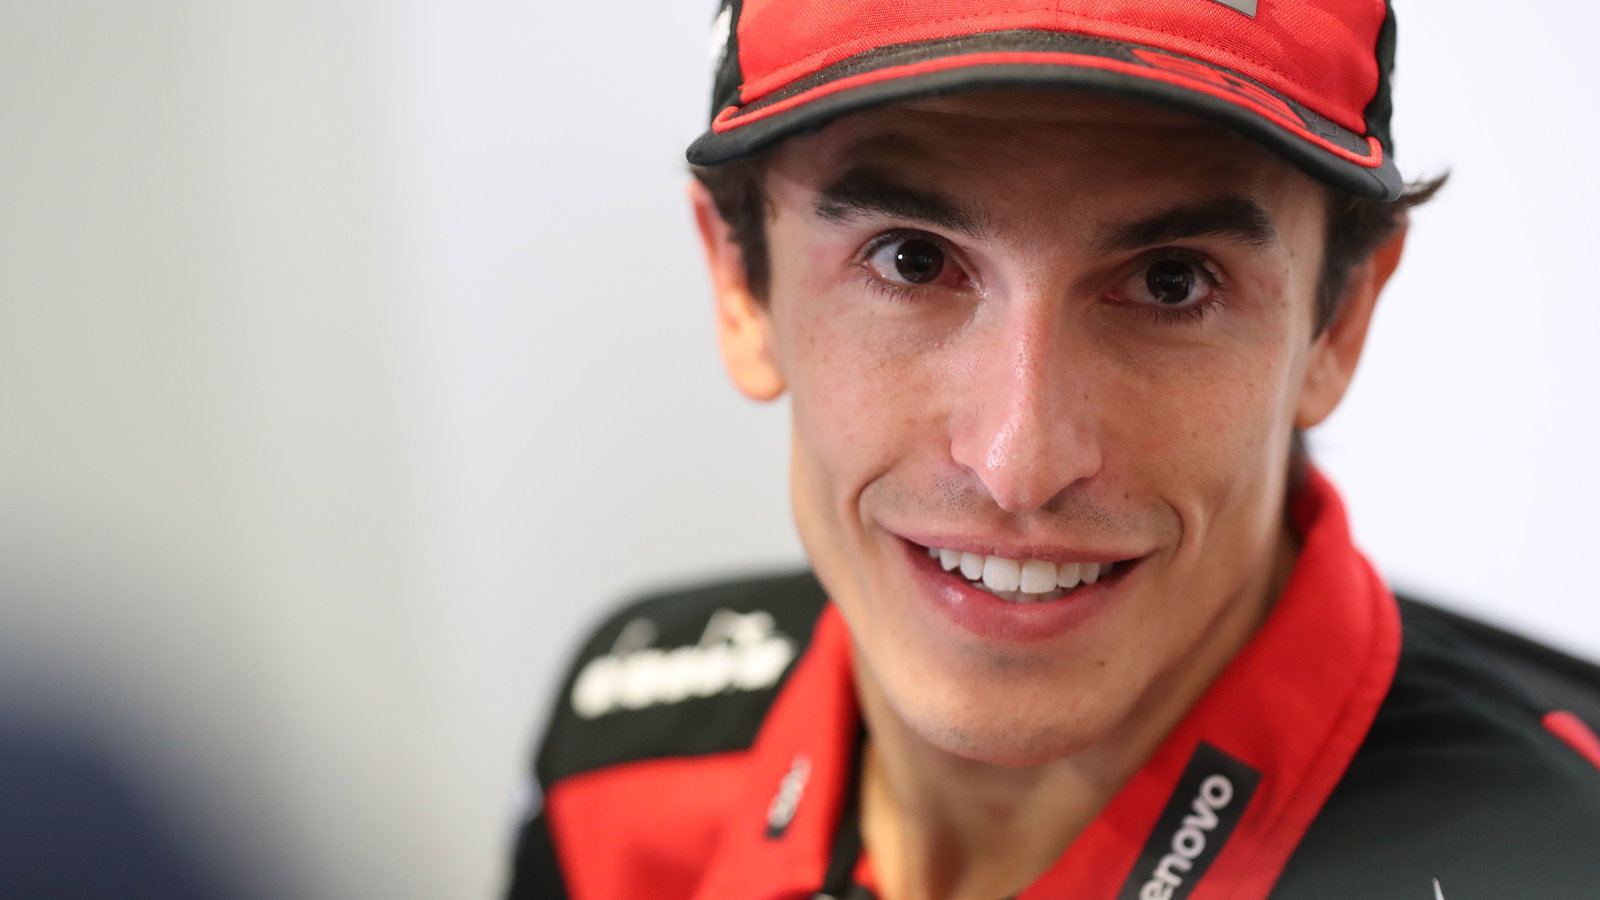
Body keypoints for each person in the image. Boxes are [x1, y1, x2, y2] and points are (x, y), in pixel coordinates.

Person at [509, 1, 1600, 897]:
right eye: (910, 260)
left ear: (1339, 323)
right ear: (739, 289)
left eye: (1171, 281)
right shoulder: (622, 765)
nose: (1018, 463)